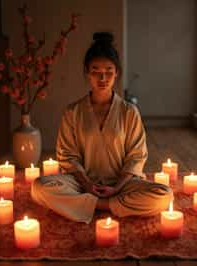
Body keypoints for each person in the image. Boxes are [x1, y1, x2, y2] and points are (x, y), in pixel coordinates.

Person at [31, 32, 173, 224]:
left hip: (122, 184)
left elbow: (136, 156)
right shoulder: (72, 112)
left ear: (116, 73)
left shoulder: (129, 112)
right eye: (95, 70)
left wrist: (116, 188)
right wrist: (87, 185)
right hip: (82, 185)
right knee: (39, 187)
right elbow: (68, 156)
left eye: (108, 70)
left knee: (164, 195)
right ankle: (108, 204)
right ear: (87, 72)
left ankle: (97, 205)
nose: (102, 77)